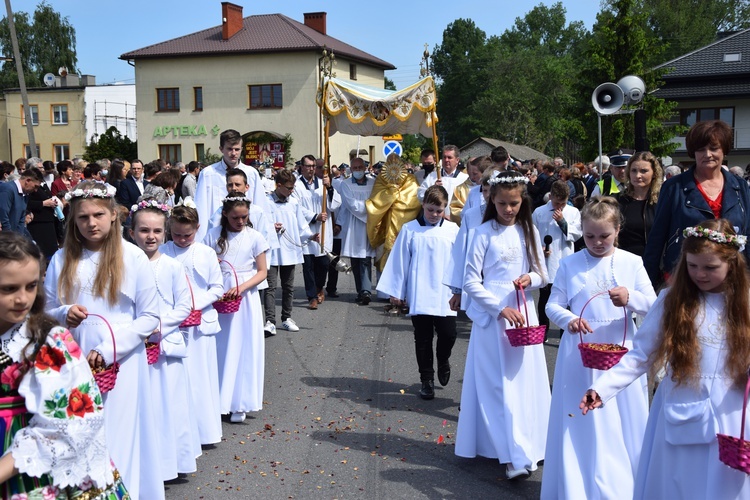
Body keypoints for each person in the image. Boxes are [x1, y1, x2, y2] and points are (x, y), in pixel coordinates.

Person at [581, 219, 750, 499]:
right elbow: (640, 354)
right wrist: (603, 387)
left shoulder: (745, 303)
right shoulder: (672, 300)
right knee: (680, 484)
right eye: (692, 266)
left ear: (732, 265)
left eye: (710, 268)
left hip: (733, 414)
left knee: (725, 488)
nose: (700, 274)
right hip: (683, 408)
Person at [44, 181, 164, 499]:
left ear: (114, 215)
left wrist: (110, 348)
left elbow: (150, 317)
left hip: (122, 363)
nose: (91, 223)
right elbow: (45, 309)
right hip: (74, 361)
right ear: (73, 219)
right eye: (83, 217)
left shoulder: (133, 257)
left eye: (98, 214)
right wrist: (64, 312)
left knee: (119, 435)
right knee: (82, 435)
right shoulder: (60, 259)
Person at [541, 197, 656, 499]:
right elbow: (553, 304)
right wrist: (570, 320)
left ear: (617, 230)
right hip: (580, 354)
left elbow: (654, 307)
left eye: (604, 236)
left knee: (620, 418)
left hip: (620, 351)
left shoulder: (632, 262)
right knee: (581, 419)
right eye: (590, 236)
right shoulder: (570, 263)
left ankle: (622, 485)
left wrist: (630, 298)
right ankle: (578, 484)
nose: (596, 242)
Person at [0, 231, 129, 499]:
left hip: (28, 465)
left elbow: (75, 419)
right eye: (9, 289)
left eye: (31, 286)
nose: (23, 299)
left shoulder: (47, 341)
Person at [455, 171, 550, 480]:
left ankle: (529, 443)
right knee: (496, 385)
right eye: (502, 204)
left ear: (522, 201)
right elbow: (470, 280)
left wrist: (530, 278)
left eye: (514, 203)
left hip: (523, 311)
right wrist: (499, 308)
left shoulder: (529, 230)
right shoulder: (482, 233)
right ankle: (508, 451)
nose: (508, 209)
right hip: (493, 314)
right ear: (491, 201)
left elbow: (543, 274)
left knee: (523, 382)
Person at [129, 197, 200, 479]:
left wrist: (158, 326)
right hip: (134, 345)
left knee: (169, 404)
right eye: (144, 230)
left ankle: (171, 461)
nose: (151, 236)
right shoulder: (125, 263)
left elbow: (184, 305)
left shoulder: (172, 266)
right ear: (132, 232)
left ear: (165, 232)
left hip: (164, 344)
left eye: (157, 231)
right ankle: (143, 463)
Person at [377, 185, 460, 399]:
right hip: (420, 291)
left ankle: (443, 359)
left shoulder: (453, 231)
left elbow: (459, 262)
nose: (434, 215)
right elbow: (400, 262)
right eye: (430, 209)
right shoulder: (410, 229)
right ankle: (427, 379)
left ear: (445, 209)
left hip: (445, 294)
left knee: (448, 334)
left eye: (439, 211)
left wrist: (460, 291)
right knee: (422, 338)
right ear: (423, 205)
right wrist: (397, 291)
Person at [644, 121, 750, 287]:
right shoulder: (674, 187)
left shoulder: (740, 186)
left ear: (724, 150)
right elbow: (657, 237)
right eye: (700, 149)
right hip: (683, 277)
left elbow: (747, 234)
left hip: (731, 278)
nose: (707, 154)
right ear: (693, 152)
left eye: (714, 148)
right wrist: (647, 285)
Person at [161, 202, 225, 445]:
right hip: (173, 324)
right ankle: (179, 431)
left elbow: (217, 288)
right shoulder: (164, 251)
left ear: (197, 228)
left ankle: (204, 430)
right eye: (176, 234)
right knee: (178, 379)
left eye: (187, 235)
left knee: (200, 377)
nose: (182, 239)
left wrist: (195, 303)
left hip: (199, 324)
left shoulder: (205, 253)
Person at [204, 192, 269, 423]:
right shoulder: (212, 236)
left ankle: (240, 401)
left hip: (245, 298)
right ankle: (219, 399)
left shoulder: (255, 237)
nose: (240, 222)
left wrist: (240, 288)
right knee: (221, 348)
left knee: (244, 348)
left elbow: (262, 272)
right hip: (220, 295)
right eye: (235, 218)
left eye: (244, 217)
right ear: (225, 215)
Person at [263, 170, 314, 333]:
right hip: (272, 250)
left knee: (288, 286)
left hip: (289, 250)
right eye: (289, 188)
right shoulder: (266, 202)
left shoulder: (294, 202)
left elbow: (301, 224)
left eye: (293, 188)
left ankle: (286, 317)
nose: (292, 191)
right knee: (270, 287)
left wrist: (310, 235)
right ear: (278, 186)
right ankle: (270, 321)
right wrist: (271, 228)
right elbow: (260, 224)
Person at [194, 129, 267, 242]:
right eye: (229, 149)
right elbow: (201, 208)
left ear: (242, 149)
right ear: (221, 149)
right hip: (216, 235)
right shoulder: (208, 173)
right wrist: (202, 241)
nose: (233, 153)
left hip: (246, 234)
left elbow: (260, 204)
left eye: (237, 149)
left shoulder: (251, 173)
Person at [532, 181, 582, 338]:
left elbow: (577, 234)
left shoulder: (573, 212)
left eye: (563, 202)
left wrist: (562, 221)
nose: (560, 206)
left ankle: (565, 331)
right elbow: (532, 234)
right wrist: (539, 249)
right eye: (556, 202)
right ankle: (543, 330)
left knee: (565, 299)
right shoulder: (539, 212)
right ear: (550, 196)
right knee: (544, 298)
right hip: (546, 261)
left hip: (565, 259)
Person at [294, 155, 341, 309]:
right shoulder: (296, 186)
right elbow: (296, 207)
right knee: (308, 266)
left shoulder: (323, 184)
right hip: (307, 230)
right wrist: (314, 216)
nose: (311, 169)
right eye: (308, 166)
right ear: (301, 167)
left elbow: (335, 205)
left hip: (323, 231)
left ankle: (319, 287)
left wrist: (330, 188)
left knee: (323, 264)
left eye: (314, 166)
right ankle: (312, 297)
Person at [338, 157, 376, 304]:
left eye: (361, 167)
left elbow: (377, 201)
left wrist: (371, 209)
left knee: (366, 258)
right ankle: (360, 290)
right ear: (351, 169)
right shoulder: (345, 184)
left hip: (369, 225)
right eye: (355, 168)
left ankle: (366, 291)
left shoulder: (373, 183)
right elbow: (352, 205)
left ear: (365, 168)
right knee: (356, 259)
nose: (358, 170)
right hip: (353, 225)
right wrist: (370, 208)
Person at [615, 151, 664, 257]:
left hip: (655, 264)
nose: (637, 175)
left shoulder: (663, 201)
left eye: (644, 171)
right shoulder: (617, 201)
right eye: (634, 171)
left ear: (654, 173)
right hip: (625, 262)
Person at [418, 145, 468, 219]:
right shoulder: (433, 176)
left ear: (457, 160)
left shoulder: (464, 178)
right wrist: (432, 189)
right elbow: (420, 195)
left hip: (456, 220)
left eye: (449, 157)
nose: (446, 160)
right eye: (444, 157)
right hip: (435, 218)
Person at [0, 167, 43, 238]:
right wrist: (10, 238)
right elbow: (3, 216)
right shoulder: (8, 189)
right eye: (35, 186)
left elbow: (21, 220)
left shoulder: (25, 194)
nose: (36, 190)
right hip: (5, 239)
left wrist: (19, 239)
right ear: (28, 181)